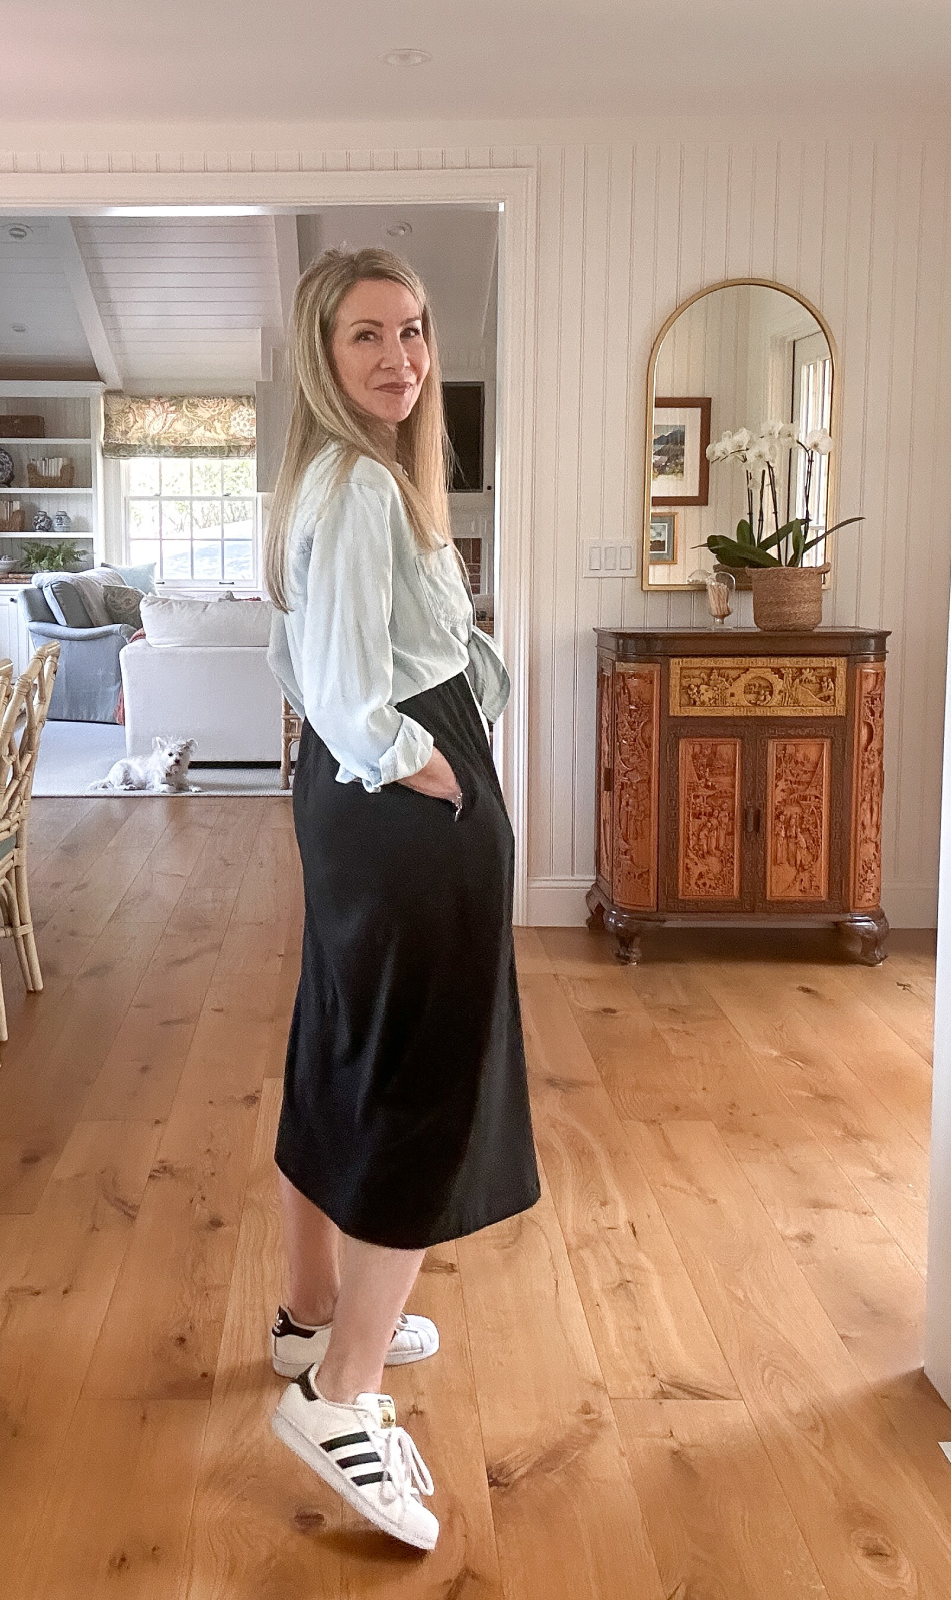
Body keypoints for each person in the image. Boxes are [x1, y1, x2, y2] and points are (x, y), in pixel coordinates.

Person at [264, 246, 539, 1552]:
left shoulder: (331, 479)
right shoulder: (365, 487)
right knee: (425, 1077)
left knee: (341, 1041)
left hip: (352, 792)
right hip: (398, 790)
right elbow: (343, 684)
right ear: (323, 354)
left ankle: (312, 1309)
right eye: (368, 335)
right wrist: (424, 764)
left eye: (416, 331)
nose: (401, 359)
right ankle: (344, 1389)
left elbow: (298, 657)